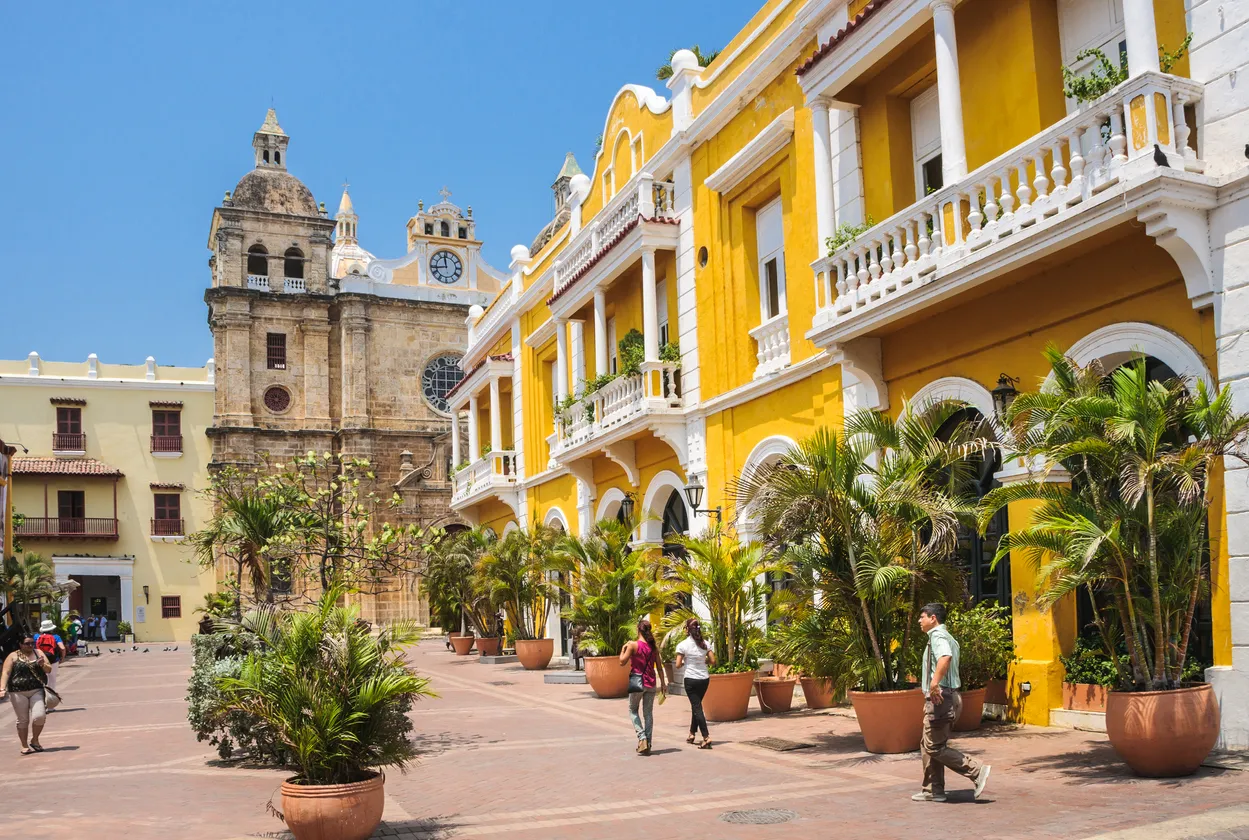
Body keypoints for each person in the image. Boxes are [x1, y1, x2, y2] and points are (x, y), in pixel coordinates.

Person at [912, 603, 991, 803]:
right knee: (928, 744)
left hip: (941, 698)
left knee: (934, 747)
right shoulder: (947, 637)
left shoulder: (938, 636)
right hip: (947, 696)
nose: (919, 621)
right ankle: (933, 790)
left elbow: (944, 657)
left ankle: (976, 769)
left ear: (933, 618)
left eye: (922, 617)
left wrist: (934, 684)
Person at [619, 617, 666, 755]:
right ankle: (648, 743)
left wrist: (623, 649)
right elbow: (660, 668)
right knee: (648, 714)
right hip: (651, 683)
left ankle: (642, 737)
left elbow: (622, 661)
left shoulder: (633, 645)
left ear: (638, 630)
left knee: (632, 710)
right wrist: (663, 683)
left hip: (637, 683)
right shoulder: (653, 648)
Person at [0, 635, 53, 755]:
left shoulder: (38, 652)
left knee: (40, 716)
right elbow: (6, 672)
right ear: (20, 644)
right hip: (17, 691)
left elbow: (49, 669)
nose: (30, 646)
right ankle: (24, 744)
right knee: (23, 720)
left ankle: (35, 740)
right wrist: (2, 688)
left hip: (36, 689)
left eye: (32, 643)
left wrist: (42, 664)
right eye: (27, 643)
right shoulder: (13, 656)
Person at [675, 617, 716, 749]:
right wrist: (705, 662)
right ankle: (692, 733)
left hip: (691, 679)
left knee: (697, 707)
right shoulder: (705, 644)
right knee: (696, 705)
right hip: (704, 679)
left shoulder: (683, 645)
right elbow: (713, 661)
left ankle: (706, 736)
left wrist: (684, 663)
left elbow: (677, 664)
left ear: (687, 630)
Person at [33, 620, 65, 692]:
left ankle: (42, 694)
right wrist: (62, 658)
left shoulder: (36, 636)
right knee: (52, 679)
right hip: (53, 660)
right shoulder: (56, 637)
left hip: (40, 660)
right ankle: (51, 694)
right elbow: (62, 648)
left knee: (41, 678)